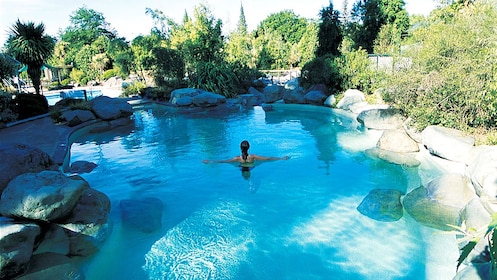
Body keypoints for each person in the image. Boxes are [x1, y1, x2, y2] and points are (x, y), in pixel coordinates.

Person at [202, 140, 289, 165]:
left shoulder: (237, 158)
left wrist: (210, 161)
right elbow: (268, 158)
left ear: (240, 148)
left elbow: (224, 161)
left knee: (245, 175)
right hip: (251, 167)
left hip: (241, 168)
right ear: (249, 147)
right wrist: (281, 158)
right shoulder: (253, 157)